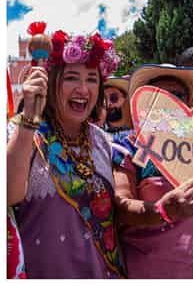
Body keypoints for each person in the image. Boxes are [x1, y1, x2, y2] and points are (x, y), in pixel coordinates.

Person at [7, 28, 126, 278]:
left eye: (92, 79)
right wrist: (30, 120)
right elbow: (7, 193)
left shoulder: (103, 141)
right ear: (51, 83)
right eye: (72, 78)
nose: (83, 89)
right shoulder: (24, 130)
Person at [111, 64, 193, 278]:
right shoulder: (128, 146)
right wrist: (163, 211)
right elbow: (120, 206)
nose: (169, 102)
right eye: (159, 95)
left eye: (177, 95)